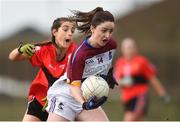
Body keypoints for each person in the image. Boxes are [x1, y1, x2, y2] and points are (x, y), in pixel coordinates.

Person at [46, 7, 118, 121]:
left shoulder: (111, 45)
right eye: (104, 31)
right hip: (67, 97)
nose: (108, 36)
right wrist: (84, 104)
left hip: (86, 98)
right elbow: (73, 86)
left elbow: (104, 63)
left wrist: (109, 74)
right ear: (93, 28)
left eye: (111, 31)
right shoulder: (80, 54)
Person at [8, 17, 76, 121]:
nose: (70, 33)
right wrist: (20, 50)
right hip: (40, 99)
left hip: (63, 102)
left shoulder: (76, 53)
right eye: (65, 29)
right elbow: (12, 57)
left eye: (72, 30)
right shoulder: (44, 49)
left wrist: (55, 96)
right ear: (55, 32)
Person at [114, 37, 170, 121]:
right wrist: (122, 83)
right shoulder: (120, 63)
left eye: (130, 47)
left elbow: (152, 79)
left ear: (135, 48)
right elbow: (116, 81)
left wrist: (162, 94)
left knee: (129, 119)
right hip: (126, 98)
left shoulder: (141, 62)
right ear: (122, 49)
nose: (128, 50)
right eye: (126, 48)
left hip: (140, 96)